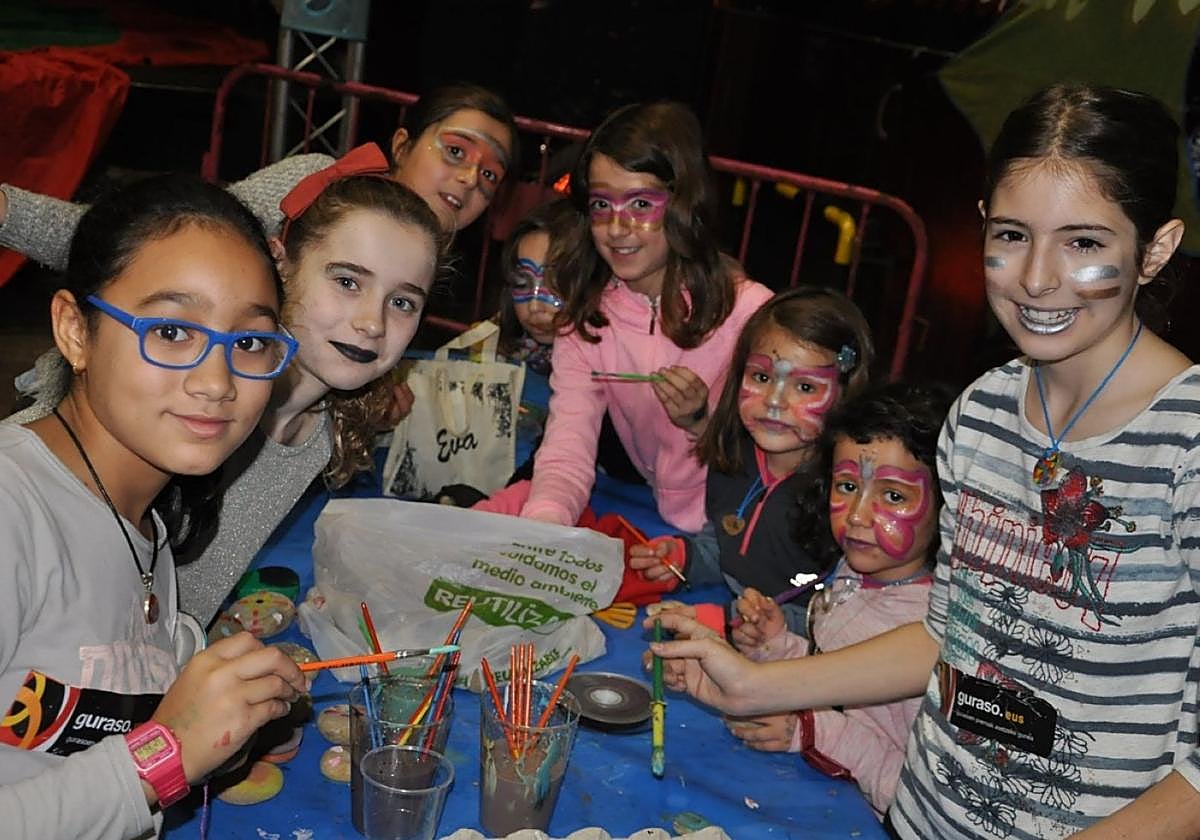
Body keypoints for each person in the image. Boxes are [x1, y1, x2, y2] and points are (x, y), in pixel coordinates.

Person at [648, 84, 1200, 838]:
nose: (1036, 278)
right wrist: (758, 685)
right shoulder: (977, 416)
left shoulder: (1188, 443)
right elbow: (948, 636)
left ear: (1156, 248)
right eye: (1011, 235)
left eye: (1084, 243)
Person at [10, 155, 448, 626]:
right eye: (346, 281)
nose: (371, 322)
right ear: (281, 263)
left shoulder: (318, 427)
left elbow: (160, 611)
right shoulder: (190, 408)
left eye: (402, 302)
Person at [0, 174, 306, 839]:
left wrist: (226, 720)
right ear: (74, 331)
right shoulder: (11, 512)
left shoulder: (145, 523)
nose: (218, 382)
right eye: (171, 330)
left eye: (250, 342)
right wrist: (164, 755)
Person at [517, 101, 775, 533]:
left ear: (682, 203)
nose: (617, 228)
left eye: (640, 203)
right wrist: (540, 531)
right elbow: (567, 452)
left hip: (751, 535)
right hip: (668, 527)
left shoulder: (752, 315)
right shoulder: (588, 322)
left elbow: (787, 463)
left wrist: (702, 424)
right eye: (602, 204)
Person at [0, 84, 518, 275]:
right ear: (402, 145)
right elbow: (142, 243)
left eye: (492, 175)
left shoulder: (427, 263)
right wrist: (7, 211)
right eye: (455, 150)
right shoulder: (315, 184)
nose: (471, 177)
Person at [728, 381, 952, 817]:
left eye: (893, 495)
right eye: (847, 485)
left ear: (948, 509)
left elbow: (912, 794)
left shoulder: (929, 636)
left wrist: (812, 732)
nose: (857, 515)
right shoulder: (855, 571)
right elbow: (838, 684)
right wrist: (778, 645)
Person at [628, 286, 872, 631]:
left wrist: (727, 624)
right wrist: (687, 558)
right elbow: (730, 545)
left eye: (805, 387)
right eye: (761, 377)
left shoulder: (847, 502)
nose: (774, 400)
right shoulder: (735, 454)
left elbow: (839, 623)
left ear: (845, 394)